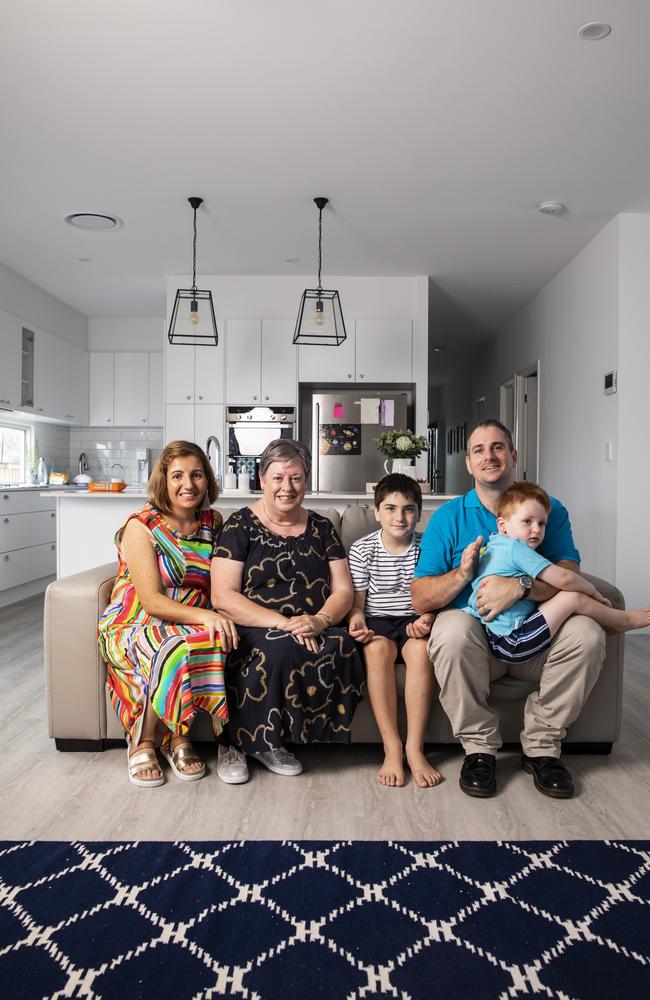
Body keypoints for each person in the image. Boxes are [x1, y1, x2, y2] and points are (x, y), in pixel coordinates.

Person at [412, 419, 605, 800]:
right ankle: (479, 749)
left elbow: (569, 572)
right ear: (468, 464)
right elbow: (420, 596)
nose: (489, 456)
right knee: (449, 630)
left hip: (536, 637)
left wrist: (518, 587)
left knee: (589, 633)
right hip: (477, 644)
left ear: (513, 456)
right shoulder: (449, 517)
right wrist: (463, 574)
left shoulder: (548, 508)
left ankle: (542, 748)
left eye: (498, 447)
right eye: (479, 450)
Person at [211, 439, 365, 783]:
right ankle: (235, 743)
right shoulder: (240, 526)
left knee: (341, 646)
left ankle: (273, 742)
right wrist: (283, 623)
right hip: (256, 622)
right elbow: (223, 596)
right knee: (276, 647)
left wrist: (319, 620)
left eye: (296, 478)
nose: (287, 487)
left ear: (306, 481)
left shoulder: (322, 528)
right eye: (278, 478)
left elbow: (343, 590)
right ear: (262, 479)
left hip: (313, 624)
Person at [98, 440, 237, 787]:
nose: (187, 485)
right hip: (137, 620)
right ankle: (148, 741)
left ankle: (176, 736)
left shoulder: (212, 522)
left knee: (210, 641)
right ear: (163, 480)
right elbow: (150, 601)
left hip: (189, 620)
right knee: (174, 647)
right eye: (177, 476)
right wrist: (205, 616)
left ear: (207, 480)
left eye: (196, 475)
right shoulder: (140, 525)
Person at [465, 480, 650, 659]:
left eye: (541, 523)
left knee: (566, 599)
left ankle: (609, 620)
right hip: (514, 641)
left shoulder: (494, 545)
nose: (536, 529)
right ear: (503, 525)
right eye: (527, 521)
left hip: (495, 637)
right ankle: (623, 621)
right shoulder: (515, 548)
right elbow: (565, 578)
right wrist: (595, 594)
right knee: (573, 598)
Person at [348, 474, 441, 789]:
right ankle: (392, 747)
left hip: (413, 620)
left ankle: (415, 747)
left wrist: (428, 617)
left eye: (409, 509)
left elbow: (434, 594)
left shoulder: (427, 546)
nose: (399, 518)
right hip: (378, 620)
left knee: (421, 652)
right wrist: (356, 620)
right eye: (390, 509)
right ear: (376, 512)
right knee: (376, 651)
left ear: (419, 512)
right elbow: (358, 605)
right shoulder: (363, 550)